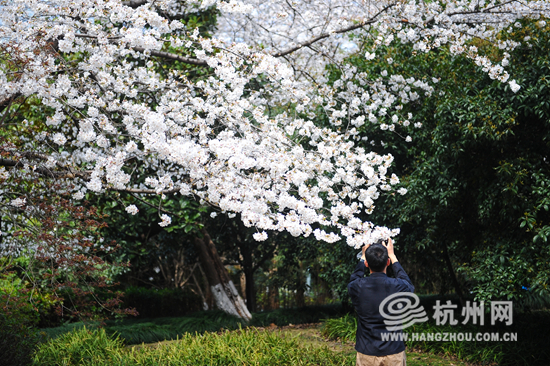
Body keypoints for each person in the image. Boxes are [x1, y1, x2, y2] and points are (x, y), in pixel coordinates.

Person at [347, 238, 414, 366]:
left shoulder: (357, 287)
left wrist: (362, 257)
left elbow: (354, 278)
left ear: (367, 264)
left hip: (367, 352)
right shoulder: (398, 286)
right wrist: (393, 255)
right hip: (393, 352)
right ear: (387, 262)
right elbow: (407, 283)